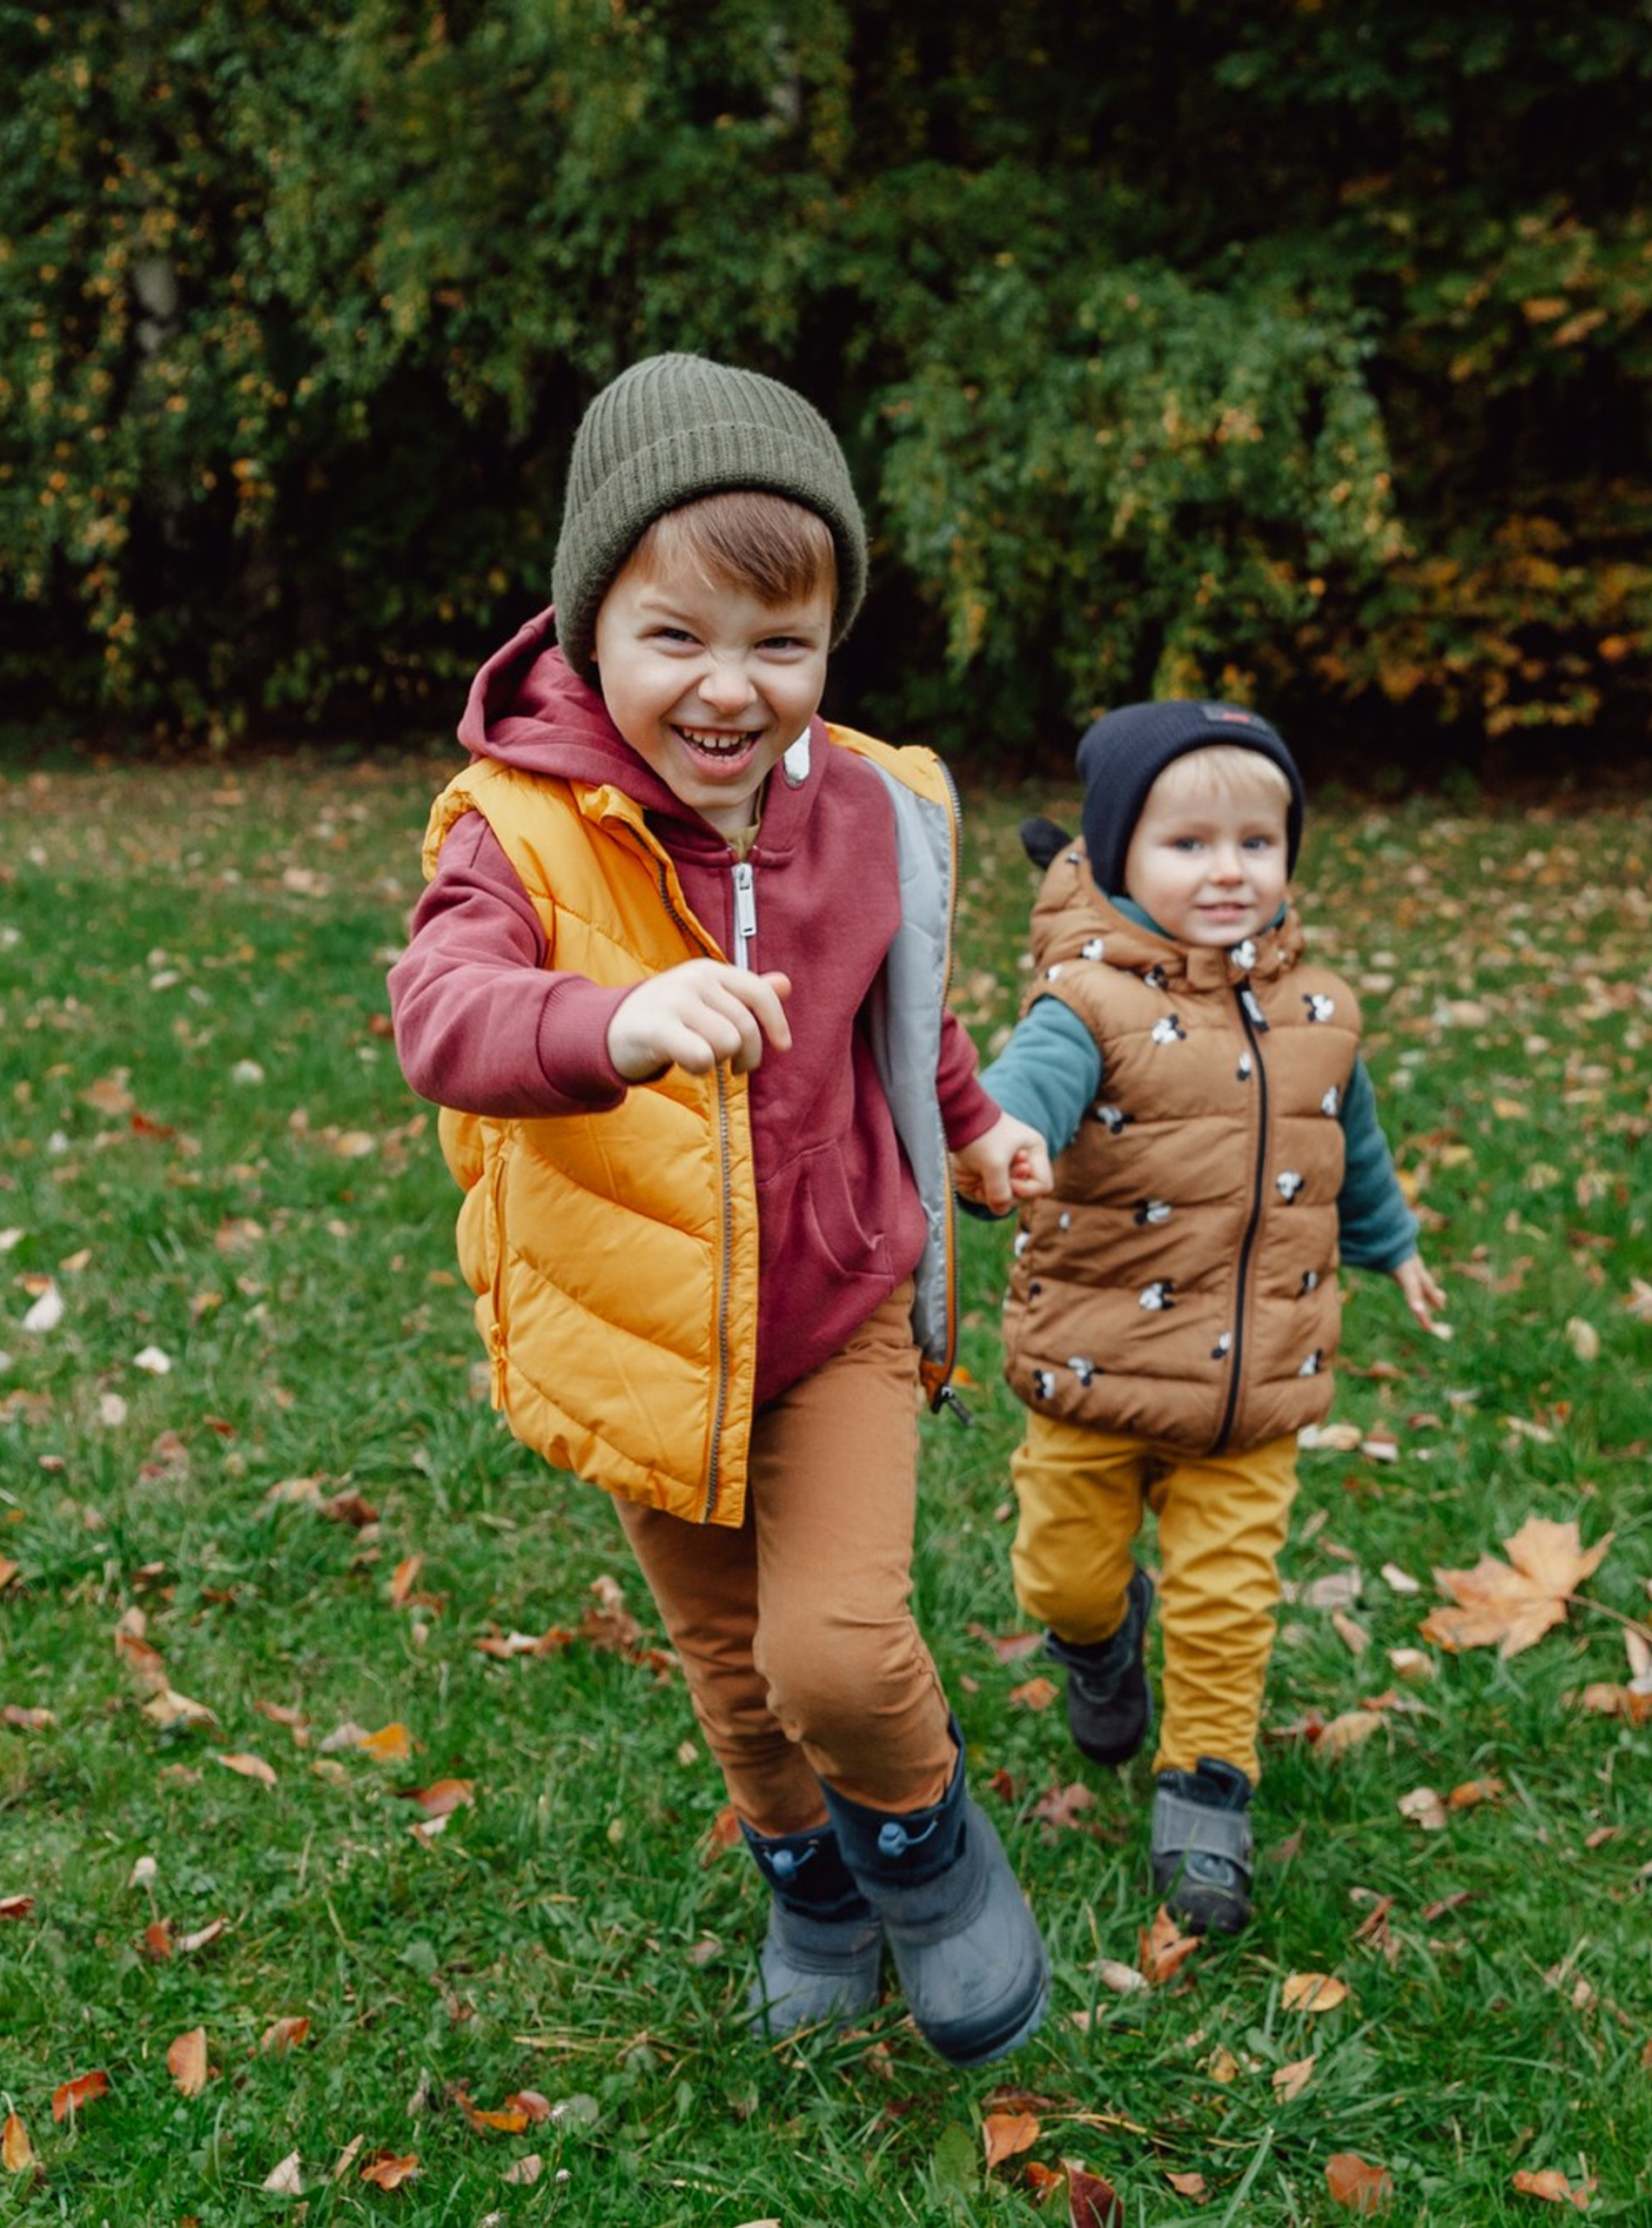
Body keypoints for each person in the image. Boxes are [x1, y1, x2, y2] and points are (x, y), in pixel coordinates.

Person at [387, 353, 1053, 2065]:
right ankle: (810, 1880)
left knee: (830, 1647)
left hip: (837, 1302)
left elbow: (902, 1005)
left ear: (828, 640)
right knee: (735, 1671)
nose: (728, 688)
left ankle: (920, 1841)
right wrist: (605, 1019)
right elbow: (440, 1008)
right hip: (644, 1329)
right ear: (587, 619)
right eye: (675, 635)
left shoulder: (873, 807)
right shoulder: (521, 825)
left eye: (780, 643)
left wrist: (971, 1133)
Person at [977, 699, 1445, 1937]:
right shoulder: (1086, 1005)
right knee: (1062, 1577)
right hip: (1098, 1369)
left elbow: (1348, 1140)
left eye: (1258, 841)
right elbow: (1027, 1087)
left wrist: (1390, 1248)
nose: (1229, 869)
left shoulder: (1322, 1015)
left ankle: (1207, 1792)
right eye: (1189, 844)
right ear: (1119, 853)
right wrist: (1007, 1132)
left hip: (1256, 1383)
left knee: (1230, 1597)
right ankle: (1098, 1640)